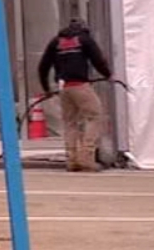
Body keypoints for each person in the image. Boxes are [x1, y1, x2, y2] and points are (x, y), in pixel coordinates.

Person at [38, 19, 112, 172]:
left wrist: (47, 89)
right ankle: (86, 158)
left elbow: (42, 67)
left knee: (70, 122)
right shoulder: (84, 40)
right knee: (95, 117)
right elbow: (98, 60)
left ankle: (72, 160)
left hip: (63, 87)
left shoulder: (56, 42)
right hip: (80, 85)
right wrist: (108, 75)